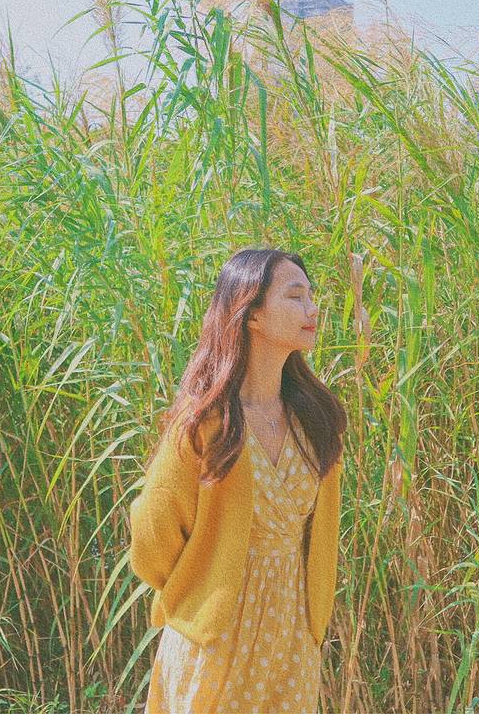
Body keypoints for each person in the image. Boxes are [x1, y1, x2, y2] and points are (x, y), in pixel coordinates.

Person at [129, 247, 347, 713]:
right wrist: (200, 587)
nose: (312, 309)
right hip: (215, 637)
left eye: (311, 296)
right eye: (295, 296)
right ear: (251, 313)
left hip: (291, 640)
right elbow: (151, 537)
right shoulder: (206, 423)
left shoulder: (316, 418)